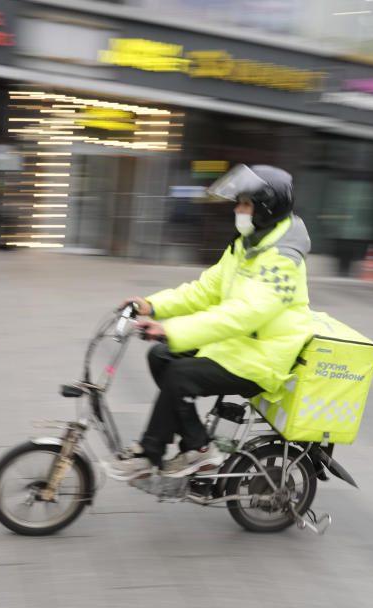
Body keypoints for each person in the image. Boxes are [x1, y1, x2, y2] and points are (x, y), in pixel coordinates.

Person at [108, 164, 313, 480]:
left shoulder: (282, 260)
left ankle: (154, 453)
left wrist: (173, 330)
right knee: (161, 357)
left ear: (265, 209)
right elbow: (205, 290)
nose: (237, 209)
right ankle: (198, 447)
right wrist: (152, 305)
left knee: (179, 375)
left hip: (262, 357)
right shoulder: (246, 245)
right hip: (237, 345)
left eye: (244, 204)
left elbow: (245, 313)